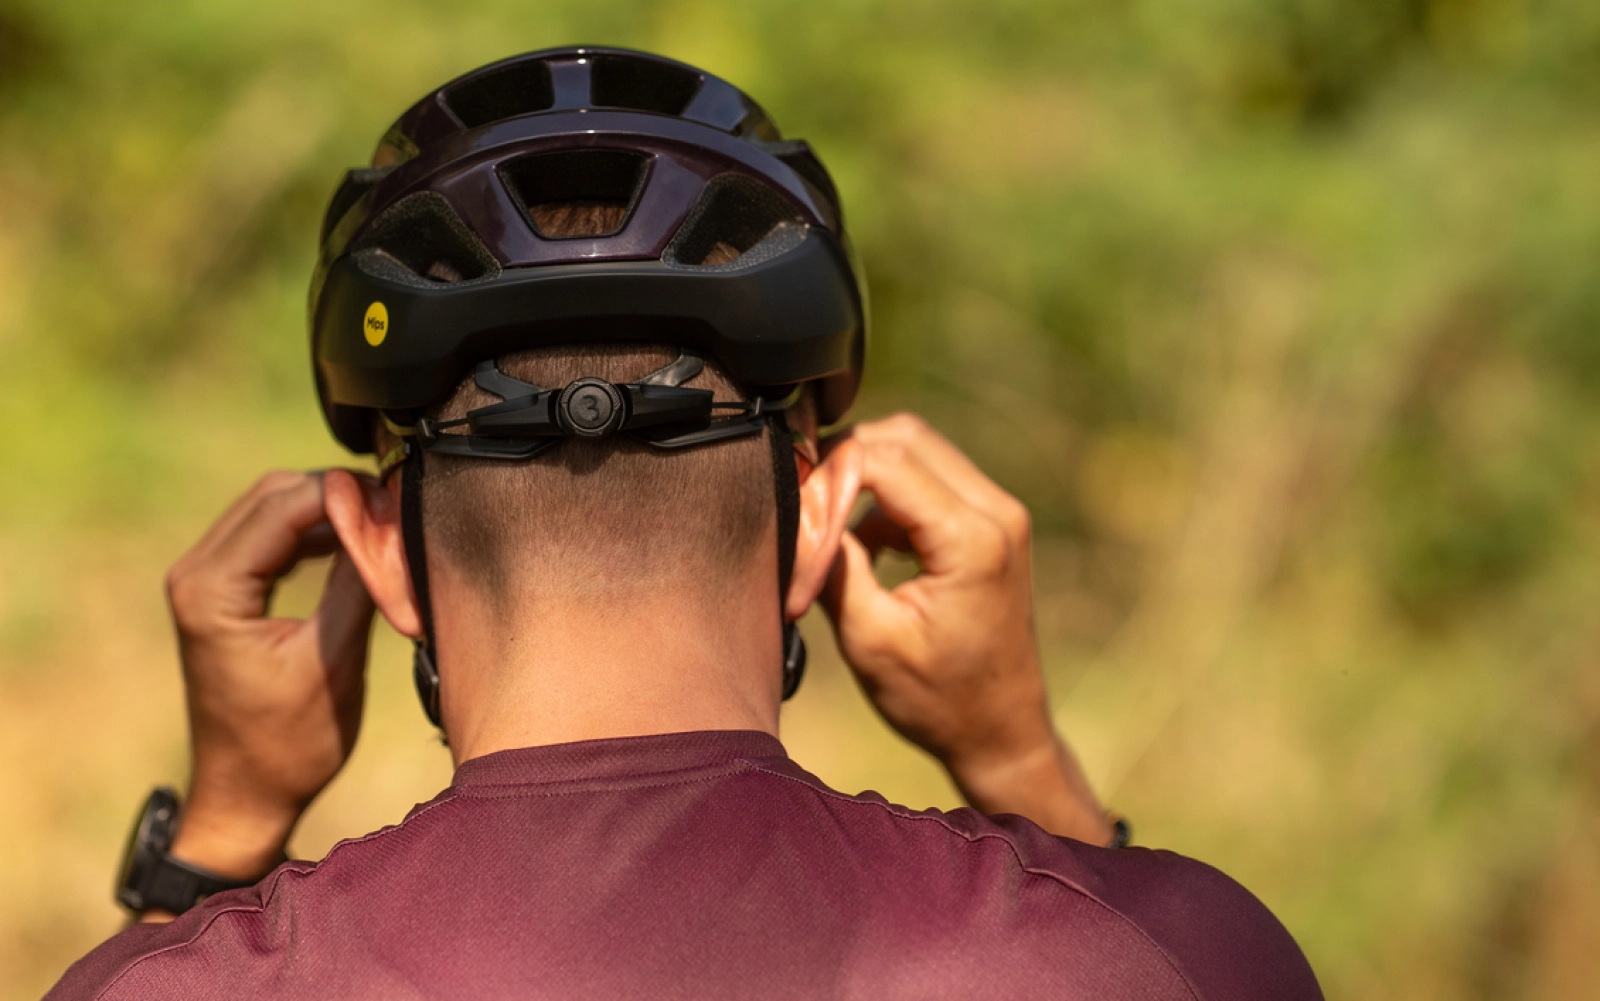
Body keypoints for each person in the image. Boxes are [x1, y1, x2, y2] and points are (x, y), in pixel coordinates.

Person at [49, 48, 1322, 1000]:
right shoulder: (1155, 958)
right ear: (820, 518)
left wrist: (210, 849)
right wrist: (1023, 767)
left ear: (379, 547)